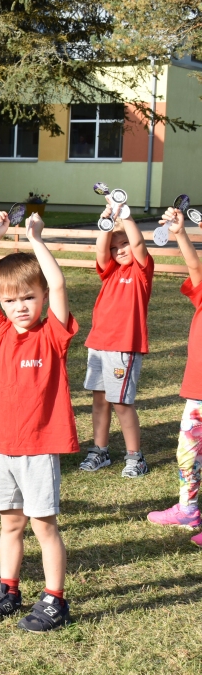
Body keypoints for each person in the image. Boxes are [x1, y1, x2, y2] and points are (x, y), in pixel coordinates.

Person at [0, 211, 75, 632]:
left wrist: (34, 239)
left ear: (42, 297)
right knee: (10, 523)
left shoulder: (53, 334)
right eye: (10, 300)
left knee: (43, 526)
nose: (19, 307)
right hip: (1, 448)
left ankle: (55, 599)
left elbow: (61, 283)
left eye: (27, 298)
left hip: (37, 449)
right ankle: (8, 589)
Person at [79, 199, 153, 478]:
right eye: (114, 247)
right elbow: (101, 248)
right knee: (100, 400)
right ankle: (100, 451)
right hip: (98, 346)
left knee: (121, 403)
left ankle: (136, 458)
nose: (119, 250)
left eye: (123, 245)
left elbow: (139, 247)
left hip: (123, 348)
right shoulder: (109, 270)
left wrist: (127, 216)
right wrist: (106, 221)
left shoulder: (141, 271)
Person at [147, 207, 202, 543]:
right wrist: (181, 233)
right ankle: (189, 507)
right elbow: (194, 266)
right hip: (198, 393)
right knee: (187, 452)